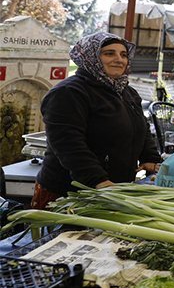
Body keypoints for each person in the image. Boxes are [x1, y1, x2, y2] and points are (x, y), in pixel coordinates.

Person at [32, 32, 162, 209]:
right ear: (90, 56)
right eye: (109, 53)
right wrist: (98, 181)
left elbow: (142, 129)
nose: (119, 59)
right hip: (70, 193)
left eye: (123, 55)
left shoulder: (127, 92)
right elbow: (68, 144)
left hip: (115, 189)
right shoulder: (69, 93)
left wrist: (150, 159)